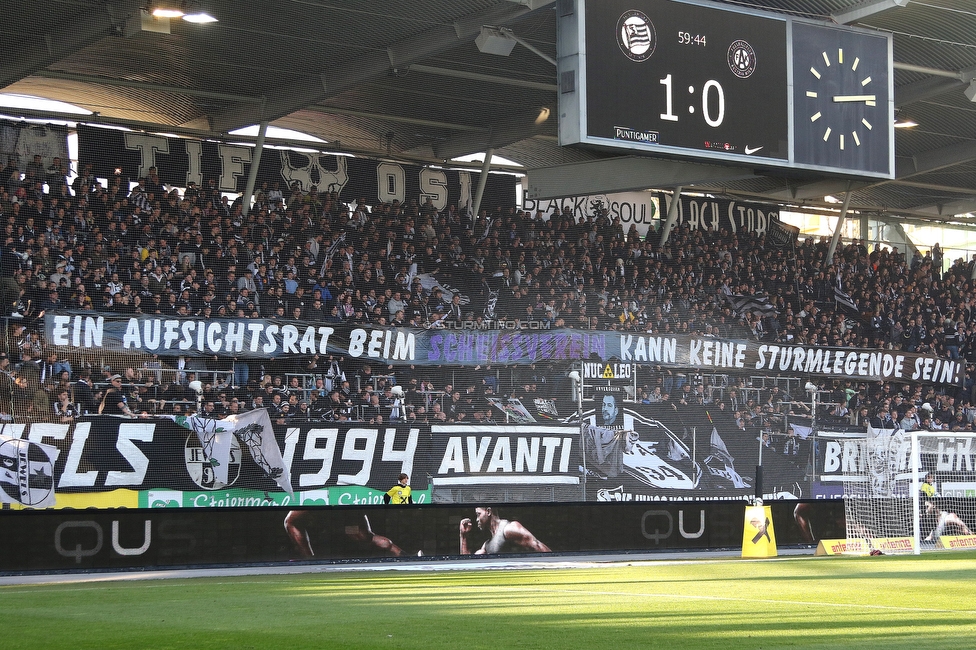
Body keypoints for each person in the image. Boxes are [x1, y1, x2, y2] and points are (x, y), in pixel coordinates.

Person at [283, 511, 410, 559]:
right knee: (364, 537)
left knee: (291, 521)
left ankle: (309, 560)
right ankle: (403, 554)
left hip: (326, 505)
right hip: (344, 510)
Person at [459, 506, 551, 554]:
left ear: (488, 512)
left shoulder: (509, 529)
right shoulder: (487, 546)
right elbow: (467, 564)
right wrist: (463, 536)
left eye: (478, 514)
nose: (477, 519)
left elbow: (538, 546)